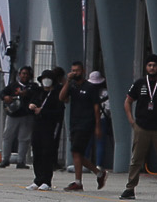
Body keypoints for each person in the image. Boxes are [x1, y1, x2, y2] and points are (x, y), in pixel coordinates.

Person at [118, 54, 157, 199]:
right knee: (136, 159)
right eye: (150, 65)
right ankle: (130, 189)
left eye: (154, 65)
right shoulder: (139, 83)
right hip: (142, 127)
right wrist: (132, 122)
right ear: (146, 67)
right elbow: (127, 101)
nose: (152, 68)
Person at [61, 60, 103, 191]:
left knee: (76, 151)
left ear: (83, 71)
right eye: (73, 71)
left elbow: (96, 107)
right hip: (74, 122)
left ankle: (78, 182)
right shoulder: (72, 86)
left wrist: (97, 126)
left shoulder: (90, 87)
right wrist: (67, 81)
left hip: (86, 123)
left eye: (77, 70)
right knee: (76, 153)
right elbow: (62, 98)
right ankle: (99, 173)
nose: (75, 73)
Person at [28, 67, 64, 189]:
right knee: (36, 151)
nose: (46, 81)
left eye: (48, 78)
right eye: (44, 78)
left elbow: (59, 112)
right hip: (37, 125)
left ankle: (46, 180)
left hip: (50, 126)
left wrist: (43, 111)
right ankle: (37, 179)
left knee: (47, 152)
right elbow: (31, 103)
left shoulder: (56, 94)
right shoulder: (38, 92)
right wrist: (31, 106)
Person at [0, 64, 36, 168]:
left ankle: (21, 161)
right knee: (7, 137)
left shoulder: (33, 86)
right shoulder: (13, 86)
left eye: (27, 74)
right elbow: (2, 94)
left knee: (24, 139)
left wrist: (26, 93)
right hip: (13, 115)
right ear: (19, 74)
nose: (25, 76)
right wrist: (5, 97)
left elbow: (34, 94)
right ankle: (5, 159)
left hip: (27, 116)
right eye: (23, 74)